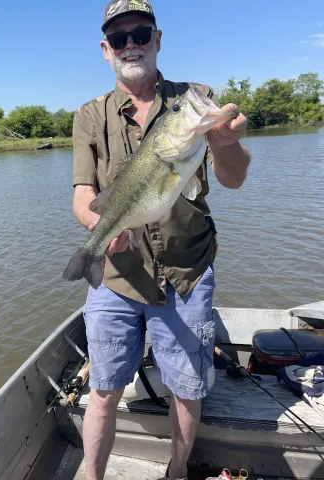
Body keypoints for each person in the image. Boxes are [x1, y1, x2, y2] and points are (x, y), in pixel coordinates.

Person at [70, 1, 251, 479]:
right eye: (120, 38)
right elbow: (85, 195)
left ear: (157, 39)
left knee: (187, 389)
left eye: (141, 33)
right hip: (118, 276)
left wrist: (226, 143)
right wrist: (99, 232)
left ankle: (177, 472)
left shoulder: (193, 100)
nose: (131, 44)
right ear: (106, 49)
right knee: (104, 388)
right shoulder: (88, 116)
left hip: (186, 272)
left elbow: (233, 179)